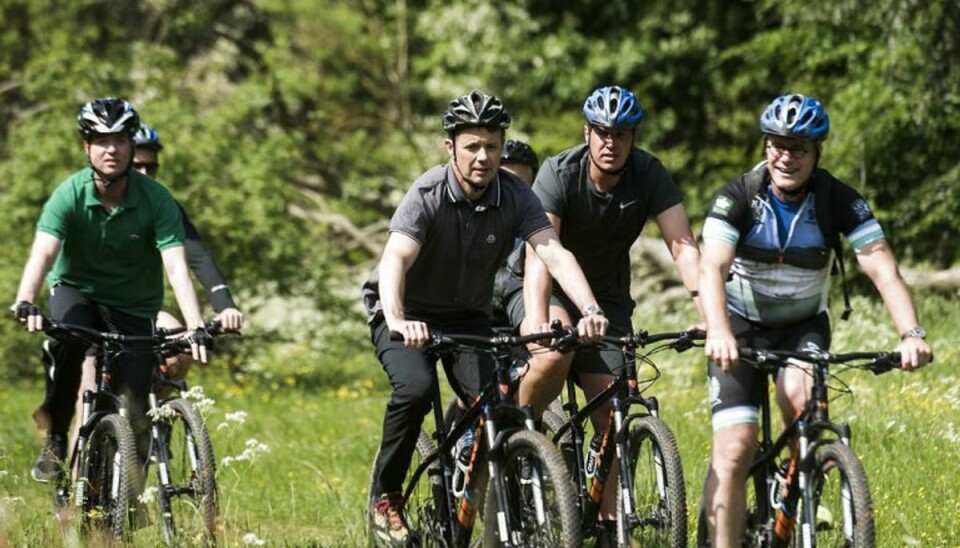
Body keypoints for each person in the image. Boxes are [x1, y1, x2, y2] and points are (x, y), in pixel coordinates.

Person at [360, 90, 609, 547]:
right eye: (472, 146)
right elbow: (395, 258)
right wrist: (397, 318)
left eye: (492, 146)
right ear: (450, 147)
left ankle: (499, 508)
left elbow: (552, 251)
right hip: (405, 312)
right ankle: (387, 496)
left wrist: (590, 309)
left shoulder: (515, 195)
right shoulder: (429, 192)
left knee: (502, 407)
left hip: (466, 316)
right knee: (416, 391)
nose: (483, 156)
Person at [699, 93, 933, 546]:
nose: (785, 157)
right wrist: (719, 331)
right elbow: (711, 267)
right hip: (739, 325)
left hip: (803, 325)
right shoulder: (738, 197)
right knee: (734, 450)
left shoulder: (837, 199)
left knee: (801, 399)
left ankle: (797, 487)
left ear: (816, 152)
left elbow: (882, 266)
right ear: (766, 146)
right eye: (777, 145)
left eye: (798, 149)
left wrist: (911, 333)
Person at [501, 85, 702, 543]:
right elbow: (542, 254)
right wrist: (535, 319)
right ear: (587, 133)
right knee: (553, 354)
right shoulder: (558, 172)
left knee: (613, 409)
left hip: (608, 301)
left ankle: (611, 526)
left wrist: (707, 311)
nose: (611, 143)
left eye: (622, 135)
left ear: (633, 138)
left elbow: (683, 246)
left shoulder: (649, 174)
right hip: (544, 286)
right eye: (602, 133)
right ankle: (512, 439)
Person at [10, 98, 212, 483]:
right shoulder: (68, 195)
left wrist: (195, 324)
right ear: (86, 146)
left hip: (134, 304)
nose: (112, 149)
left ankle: (124, 501)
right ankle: (55, 437)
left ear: (132, 145)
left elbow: (176, 266)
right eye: (101, 140)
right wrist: (25, 300)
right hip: (77, 292)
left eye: (120, 139)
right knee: (68, 346)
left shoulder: (156, 199)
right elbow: (44, 252)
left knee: (135, 406)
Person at [491, 139, 540, 327]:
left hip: (525, 316)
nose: (511, 191)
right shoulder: (464, 217)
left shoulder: (544, 226)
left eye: (520, 184)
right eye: (503, 181)